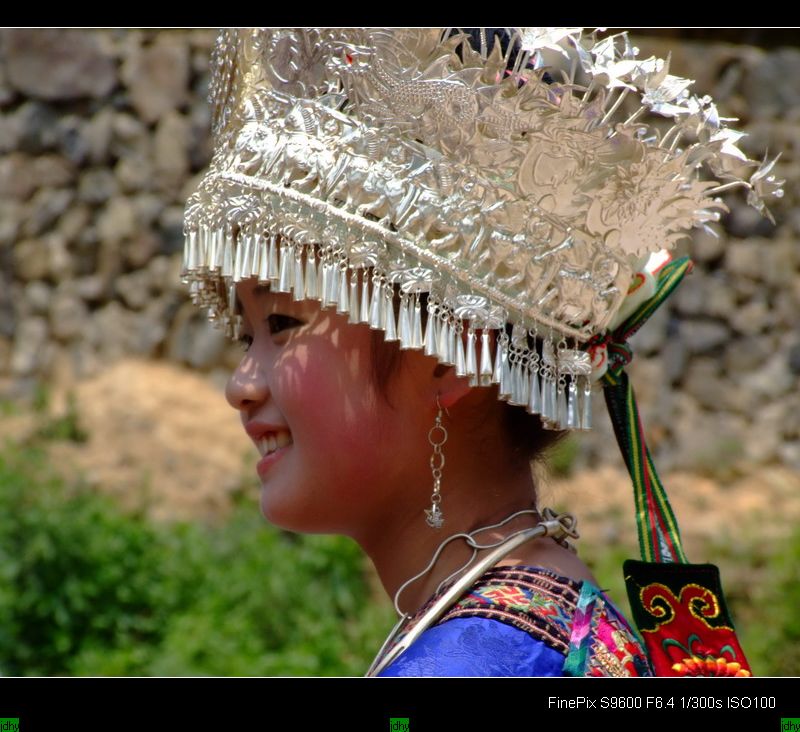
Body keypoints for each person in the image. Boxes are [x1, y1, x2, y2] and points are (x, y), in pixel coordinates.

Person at [182, 28, 781, 677]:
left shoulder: (472, 661)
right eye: (247, 336)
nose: (241, 385)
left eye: (282, 323)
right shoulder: (535, 623)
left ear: (450, 353)